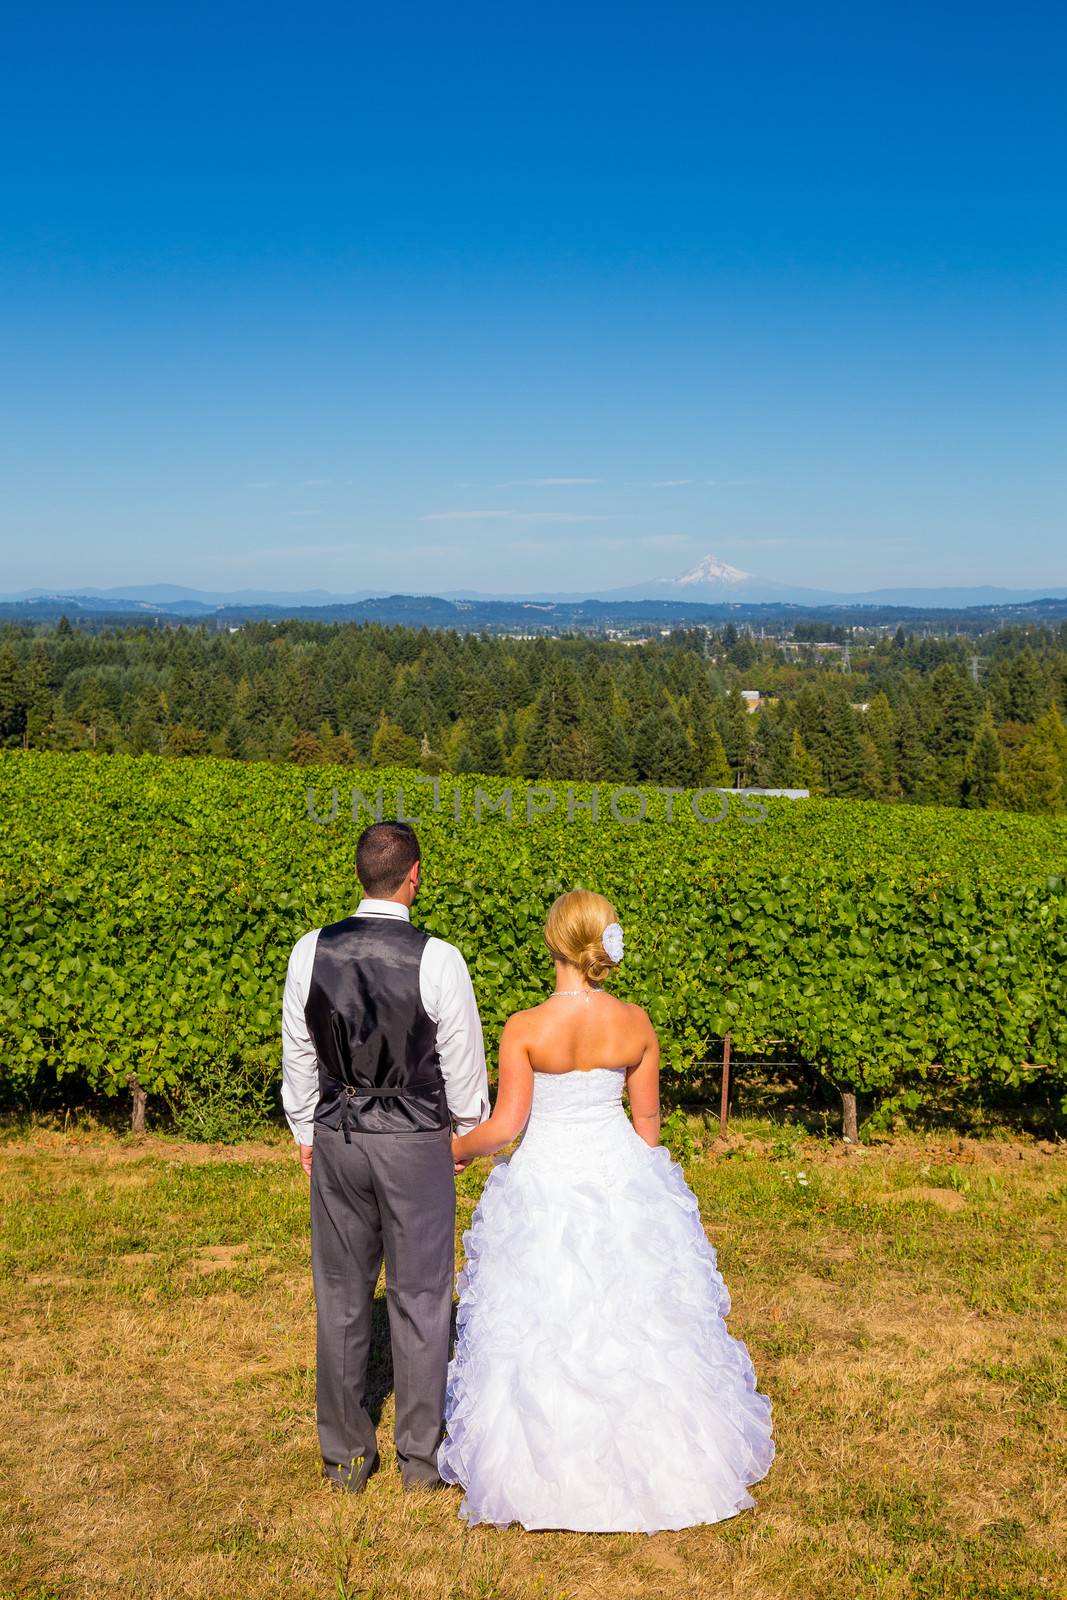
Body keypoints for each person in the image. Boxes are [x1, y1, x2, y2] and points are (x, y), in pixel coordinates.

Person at [438, 888, 774, 1532]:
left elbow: (506, 1125)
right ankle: (666, 1459)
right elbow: (647, 1124)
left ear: (553, 941)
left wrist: (452, 1151)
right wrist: (641, 1197)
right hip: (620, 1169)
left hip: (545, 1176)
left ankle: (541, 1472)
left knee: (545, 1315)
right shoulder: (635, 1023)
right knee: (638, 1314)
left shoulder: (526, 1027)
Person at [281, 821, 489, 1492]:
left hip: (339, 1131)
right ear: (415, 875)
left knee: (340, 1295)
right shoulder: (440, 958)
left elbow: (299, 1052)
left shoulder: (309, 949)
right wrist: (462, 1135)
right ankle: (420, 1463)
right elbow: (462, 1065)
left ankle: (344, 1459)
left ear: (358, 874)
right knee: (423, 1296)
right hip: (414, 1138)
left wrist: (305, 1132)